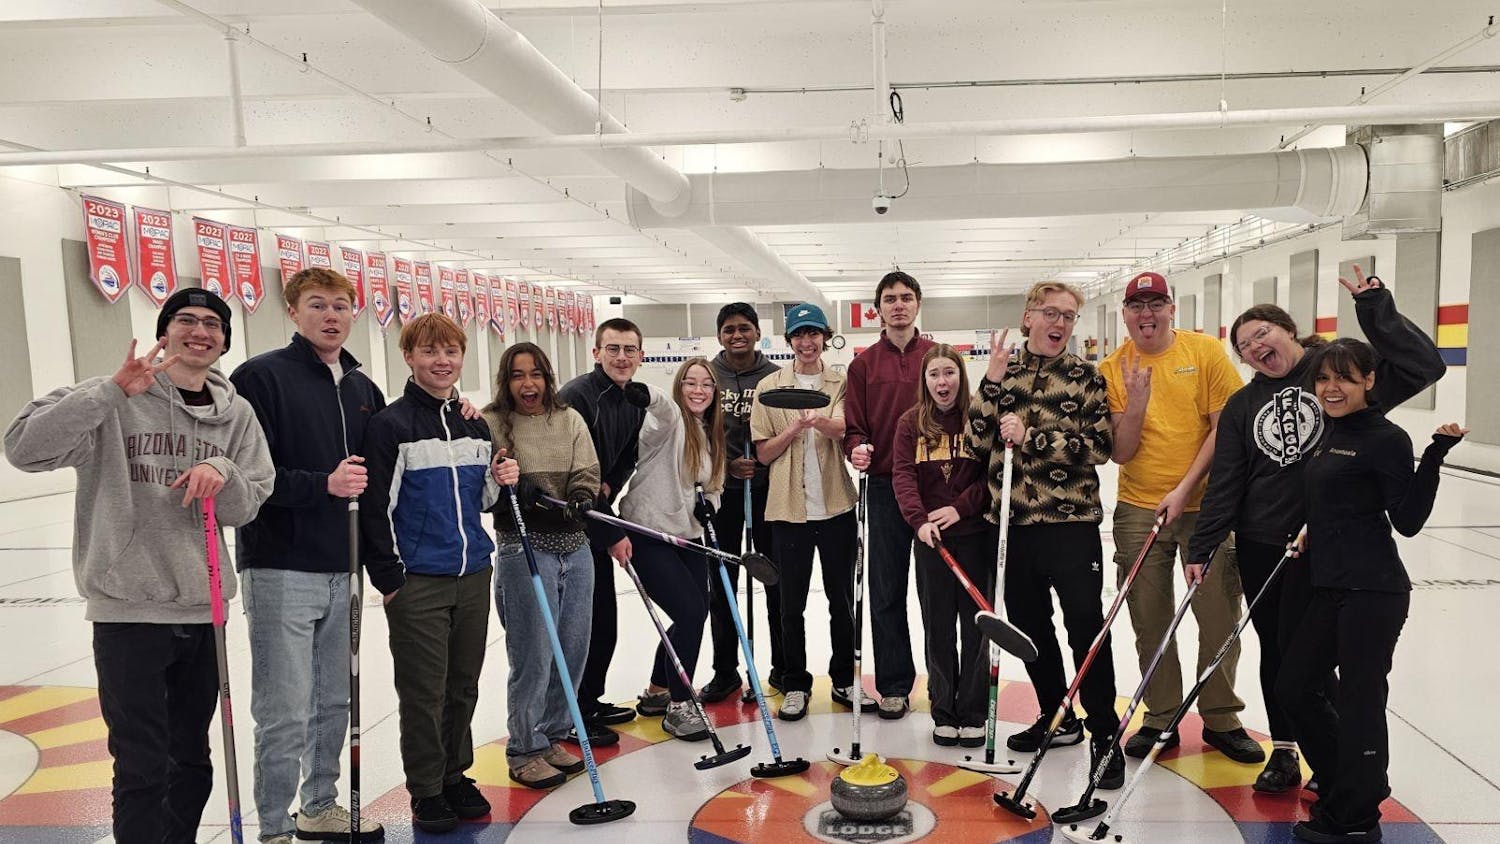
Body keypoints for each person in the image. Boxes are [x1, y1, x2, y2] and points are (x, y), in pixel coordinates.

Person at [6, 288, 274, 843]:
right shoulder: (116, 396)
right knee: (142, 765)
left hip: (204, 612)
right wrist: (109, 391)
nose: (199, 332)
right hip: (129, 611)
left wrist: (222, 471)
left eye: (212, 324)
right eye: (185, 321)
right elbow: (24, 449)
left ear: (224, 340)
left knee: (192, 762)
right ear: (164, 332)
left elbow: (249, 501)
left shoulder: (238, 415)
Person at [1187, 266, 1446, 793]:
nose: (1256, 346)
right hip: (1264, 545)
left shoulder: (1338, 378)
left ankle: (1335, 759)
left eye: (1262, 332)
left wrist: (1375, 308)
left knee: (1321, 661)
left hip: (1329, 549)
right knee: (1280, 654)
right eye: (1244, 345)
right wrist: (1204, 543)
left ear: (1289, 331)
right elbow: (1228, 479)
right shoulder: (1243, 404)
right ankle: (1286, 751)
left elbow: (1424, 364)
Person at [1275, 338, 1464, 843]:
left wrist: (1434, 457)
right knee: (1294, 684)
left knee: (1360, 700)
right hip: (1329, 584)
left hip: (1373, 590)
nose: (1330, 388)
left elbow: (1407, 520)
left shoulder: (1386, 438)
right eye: (1322, 379)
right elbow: (1338, 496)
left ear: (1369, 380)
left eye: (1343, 378)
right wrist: (1313, 527)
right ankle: (1351, 782)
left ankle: (1356, 818)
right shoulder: (1329, 431)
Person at [229, 266, 388, 843]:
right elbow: (250, 475)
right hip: (281, 566)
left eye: (341, 306)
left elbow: (382, 473)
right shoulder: (260, 378)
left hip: (342, 569)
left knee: (334, 700)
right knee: (284, 709)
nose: (331, 316)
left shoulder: (363, 388)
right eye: (317, 305)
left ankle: (319, 805)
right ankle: (272, 826)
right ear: (293, 312)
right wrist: (322, 484)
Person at [359, 314, 518, 833]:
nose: (441, 361)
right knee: (424, 691)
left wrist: (502, 477)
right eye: (429, 352)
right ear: (409, 357)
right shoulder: (391, 426)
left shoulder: (476, 424)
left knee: (462, 686)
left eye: (450, 351)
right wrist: (390, 577)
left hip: (473, 572)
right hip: (419, 580)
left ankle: (454, 774)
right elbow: (376, 507)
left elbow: (486, 500)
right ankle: (426, 788)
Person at [967, 281, 1124, 787]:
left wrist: (1032, 437)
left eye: (1069, 316)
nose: (1060, 324)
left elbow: (1100, 447)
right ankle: (1059, 718)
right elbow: (974, 442)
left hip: (1070, 524)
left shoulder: (1084, 376)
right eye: (1051, 313)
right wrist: (990, 385)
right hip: (1011, 528)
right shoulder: (1000, 373)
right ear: (1029, 316)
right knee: (1031, 630)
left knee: (1085, 628)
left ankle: (1105, 734)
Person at [1099, 271, 1258, 763]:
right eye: (1136, 306)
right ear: (1124, 314)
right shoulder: (1111, 369)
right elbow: (1120, 453)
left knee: (1217, 616)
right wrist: (1137, 405)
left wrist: (1185, 488)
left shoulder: (1205, 354)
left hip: (1207, 509)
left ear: (1171, 308)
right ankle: (1162, 717)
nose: (1146, 314)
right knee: (1150, 619)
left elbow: (1224, 431)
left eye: (1156, 304)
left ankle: (1221, 718)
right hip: (1137, 509)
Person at [483, 343, 601, 789]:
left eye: (535, 374)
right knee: (533, 653)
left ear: (548, 378)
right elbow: (488, 484)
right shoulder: (493, 422)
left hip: (575, 547)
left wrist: (582, 498)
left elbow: (587, 471)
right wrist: (517, 491)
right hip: (524, 547)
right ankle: (524, 747)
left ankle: (552, 734)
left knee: (572, 649)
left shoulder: (568, 419)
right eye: (517, 375)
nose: (527, 384)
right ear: (506, 380)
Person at [750, 303, 869, 721]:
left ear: (825, 338)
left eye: (814, 334)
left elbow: (845, 428)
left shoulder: (841, 383)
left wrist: (817, 421)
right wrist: (794, 428)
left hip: (836, 508)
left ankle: (843, 679)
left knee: (842, 600)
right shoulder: (770, 388)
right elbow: (763, 453)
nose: (807, 342)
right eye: (799, 335)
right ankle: (795, 683)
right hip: (787, 512)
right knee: (789, 604)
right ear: (789, 342)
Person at [617, 357, 725, 740]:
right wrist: (646, 393)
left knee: (693, 611)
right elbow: (661, 408)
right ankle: (680, 705)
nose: (699, 391)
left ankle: (658, 692)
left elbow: (715, 488)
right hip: (648, 531)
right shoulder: (669, 422)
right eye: (690, 383)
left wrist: (707, 505)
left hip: (688, 535)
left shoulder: (711, 432)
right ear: (679, 387)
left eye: (706, 385)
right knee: (691, 610)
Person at [845, 271, 937, 719]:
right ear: (877, 309)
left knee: (936, 592)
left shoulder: (935, 356)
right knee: (886, 590)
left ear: (918, 304)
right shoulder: (863, 365)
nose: (898, 305)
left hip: (934, 486)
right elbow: (855, 426)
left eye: (906, 298)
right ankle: (895, 684)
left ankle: (945, 682)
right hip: (883, 489)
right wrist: (856, 448)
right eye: (889, 299)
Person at [892, 344, 991, 748]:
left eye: (949, 373)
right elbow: (902, 475)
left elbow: (990, 475)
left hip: (974, 538)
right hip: (931, 542)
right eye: (934, 374)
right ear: (924, 380)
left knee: (977, 626)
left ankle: (972, 711)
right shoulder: (910, 424)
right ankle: (943, 710)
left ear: (960, 377)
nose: (942, 382)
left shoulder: (977, 419)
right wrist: (918, 521)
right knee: (938, 627)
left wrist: (959, 508)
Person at [557, 317, 648, 744]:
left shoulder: (634, 398)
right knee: (580, 625)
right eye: (613, 349)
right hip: (572, 525)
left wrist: (610, 480)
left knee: (602, 622)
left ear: (641, 355)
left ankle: (589, 701)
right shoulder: (576, 396)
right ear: (596, 353)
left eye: (630, 349)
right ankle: (571, 712)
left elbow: (629, 453)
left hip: (598, 511)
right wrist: (610, 531)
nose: (622, 357)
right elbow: (569, 470)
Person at [702, 302, 785, 702]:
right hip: (722, 496)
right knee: (723, 585)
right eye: (729, 329)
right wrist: (726, 465)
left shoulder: (774, 376)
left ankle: (783, 667)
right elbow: (694, 434)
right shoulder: (708, 376)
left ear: (757, 332)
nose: (738, 335)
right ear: (720, 335)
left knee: (774, 581)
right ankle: (725, 670)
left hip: (769, 493)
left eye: (745, 328)